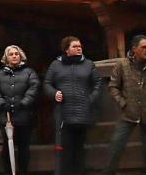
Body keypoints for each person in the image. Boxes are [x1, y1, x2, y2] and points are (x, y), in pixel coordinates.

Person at [102, 35, 146, 175]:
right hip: (128, 114)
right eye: (143, 47)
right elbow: (113, 86)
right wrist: (123, 103)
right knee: (116, 146)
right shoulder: (122, 65)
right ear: (134, 49)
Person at [43, 36, 102, 175]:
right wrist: (54, 93)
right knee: (65, 149)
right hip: (63, 114)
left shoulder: (89, 64)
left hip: (83, 113)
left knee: (80, 149)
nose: (79, 48)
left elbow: (98, 84)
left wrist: (90, 99)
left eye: (80, 46)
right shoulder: (56, 65)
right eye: (75, 46)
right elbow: (47, 84)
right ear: (66, 50)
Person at [0, 45, 39, 175]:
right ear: (7, 57)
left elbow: (33, 88)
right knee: (7, 146)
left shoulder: (29, 72)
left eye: (16, 54)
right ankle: (8, 171)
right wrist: (1, 103)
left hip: (24, 115)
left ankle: (23, 171)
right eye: (11, 54)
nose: (14, 56)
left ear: (20, 55)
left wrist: (23, 103)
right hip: (6, 117)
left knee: (24, 146)